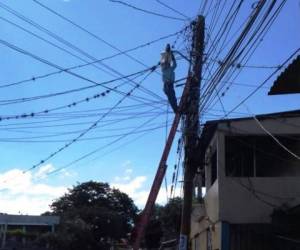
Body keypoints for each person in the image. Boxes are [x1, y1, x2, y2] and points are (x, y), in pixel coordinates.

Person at [160, 44, 178, 113]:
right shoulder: (164, 69)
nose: (167, 64)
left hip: (170, 85)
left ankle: (176, 108)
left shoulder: (170, 68)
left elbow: (175, 65)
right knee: (171, 97)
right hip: (167, 85)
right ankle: (175, 109)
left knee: (173, 97)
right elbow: (164, 61)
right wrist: (168, 53)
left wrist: (173, 57)